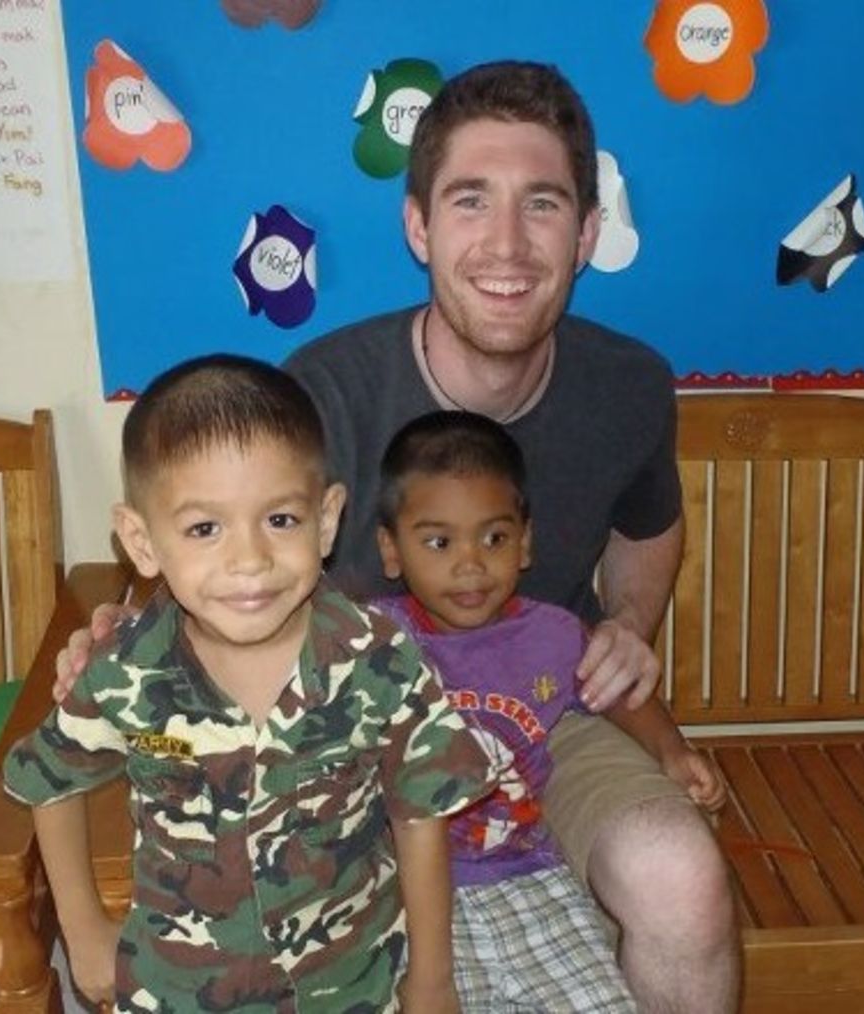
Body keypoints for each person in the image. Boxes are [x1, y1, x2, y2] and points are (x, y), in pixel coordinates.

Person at [58, 61, 739, 1011]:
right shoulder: (321, 390)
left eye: (542, 205)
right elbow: (219, 548)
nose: (507, 243)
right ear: (419, 225)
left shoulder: (630, 385)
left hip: (545, 709)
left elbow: (649, 525)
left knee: (683, 872)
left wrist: (629, 622)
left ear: (586, 233)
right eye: (471, 201)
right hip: (345, 736)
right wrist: (124, 628)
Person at [8, 354, 493, 1013]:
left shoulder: (379, 661)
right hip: (179, 991)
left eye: (280, 520)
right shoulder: (126, 671)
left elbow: (420, 817)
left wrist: (432, 982)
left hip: (352, 984)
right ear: (141, 541)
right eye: (204, 528)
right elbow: (47, 779)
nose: (249, 561)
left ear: (325, 521)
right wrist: (83, 927)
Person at [372, 410, 725, 1012]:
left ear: (526, 542)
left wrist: (671, 750)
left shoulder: (554, 635)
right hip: (407, 890)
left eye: (494, 538)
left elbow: (612, 689)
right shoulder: (374, 640)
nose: (470, 564)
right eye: (438, 541)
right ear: (391, 550)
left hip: (530, 872)